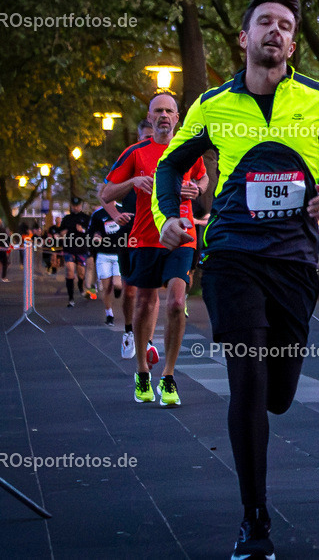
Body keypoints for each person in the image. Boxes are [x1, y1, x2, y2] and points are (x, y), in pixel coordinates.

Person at [151, 0, 319, 559]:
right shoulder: (212, 104)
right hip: (232, 257)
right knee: (246, 382)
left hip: (295, 261)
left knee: (279, 394)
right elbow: (171, 164)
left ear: (293, 42)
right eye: (264, 22)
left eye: (286, 25)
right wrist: (169, 217)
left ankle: (270, 407)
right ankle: (254, 519)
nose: (275, 31)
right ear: (244, 38)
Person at [102, 93, 208, 407]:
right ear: (150, 118)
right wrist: (134, 180)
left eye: (169, 111)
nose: (164, 116)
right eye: (158, 111)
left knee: (176, 302)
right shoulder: (135, 152)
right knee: (145, 302)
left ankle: (170, 377)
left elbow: (202, 178)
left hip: (181, 235)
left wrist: (196, 189)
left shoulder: (188, 149)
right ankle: (142, 372)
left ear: (178, 117)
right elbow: (106, 191)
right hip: (145, 238)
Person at [100, 119, 152, 358]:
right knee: (130, 291)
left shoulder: (167, 157)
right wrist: (116, 214)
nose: (150, 142)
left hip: (154, 230)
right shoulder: (130, 159)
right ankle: (130, 331)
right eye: (145, 138)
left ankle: (149, 341)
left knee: (149, 288)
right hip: (129, 232)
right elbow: (105, 195)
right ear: (139, 137)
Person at [88, 202, 127, 326]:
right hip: (103, 254)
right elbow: (91, 232)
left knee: (117, 285)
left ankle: (118, 290)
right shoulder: (98, 214)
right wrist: (95, 237)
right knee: (106, 288)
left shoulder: (122, 210)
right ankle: (109, 314)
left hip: (118, 254)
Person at [60, 197, 91, 307]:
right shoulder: (67, 218)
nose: (75, 207)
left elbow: (91, 232)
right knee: (70, 271)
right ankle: (71, 298)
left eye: (77, 205)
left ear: (81, 206)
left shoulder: (86, 218)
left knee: (81, 273)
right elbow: (61, 232)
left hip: (81, 248)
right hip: (69, 248)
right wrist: (63, 233)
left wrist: (82, 230)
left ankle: (81, 287)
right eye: (74, 205)